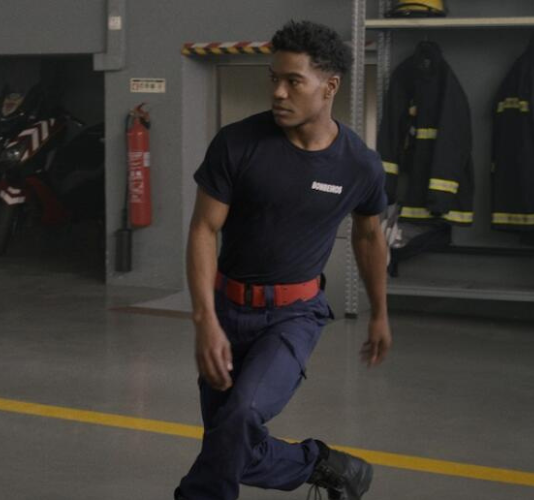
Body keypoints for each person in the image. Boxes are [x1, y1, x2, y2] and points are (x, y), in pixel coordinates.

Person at [175, 20, 392, 500]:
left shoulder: (359, 165)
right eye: (273, 78)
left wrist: (379, 312)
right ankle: (324, 465)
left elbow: (369, 234)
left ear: (329, 86)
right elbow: (204, 229)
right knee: (229, 441)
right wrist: (205, 319)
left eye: (293, 81)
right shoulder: (238, 143)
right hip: (228, 310)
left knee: (240, 417)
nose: (278, 91)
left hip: (294, 315)